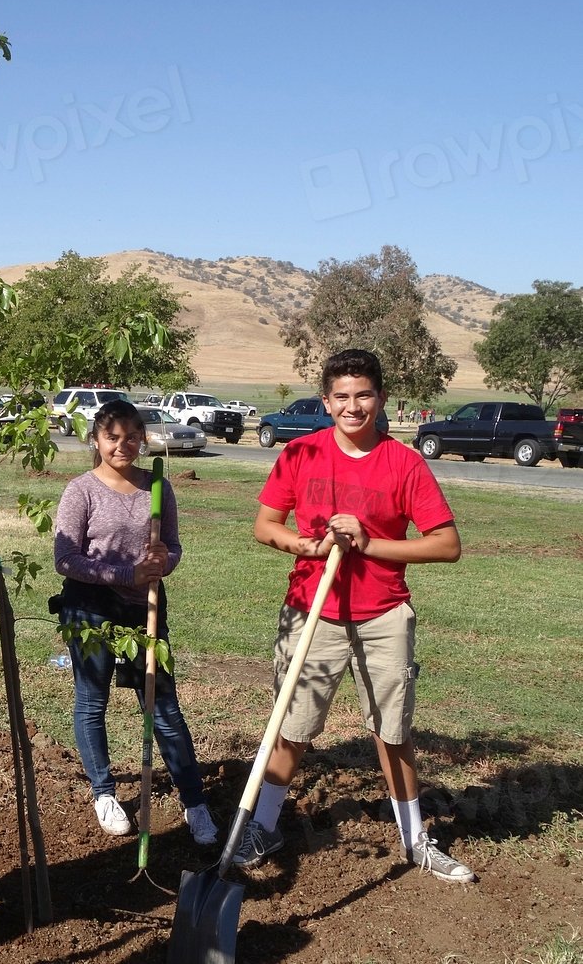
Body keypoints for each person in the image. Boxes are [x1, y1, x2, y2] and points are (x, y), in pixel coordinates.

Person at [239, 348, 474, 883]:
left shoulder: (404, 463)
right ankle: (265, 826)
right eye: (341, 397)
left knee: (392, 731)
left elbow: (446, 545)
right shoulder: (300, 454)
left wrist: (369, 544)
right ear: (325, 401)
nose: (352, 406)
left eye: (363, 395)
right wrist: (305, 545)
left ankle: (416, 842)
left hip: (383, 614)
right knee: (291, 726)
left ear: (381, 398)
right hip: (310, 612)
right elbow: (265, 526)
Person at [53, 399, 218, 844]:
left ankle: (194, 801)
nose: (122, 445)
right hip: (89, 609)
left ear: (142, 440)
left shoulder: (158, 488)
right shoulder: (81, 490)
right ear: (96, 440)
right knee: (93, 701)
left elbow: (174, 548)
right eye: (112, 437)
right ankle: (104, 793)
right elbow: (65, 559)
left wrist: (164, 563)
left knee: (163, 707)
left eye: (130, 437)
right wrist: (126, 573)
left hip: (144, 608)